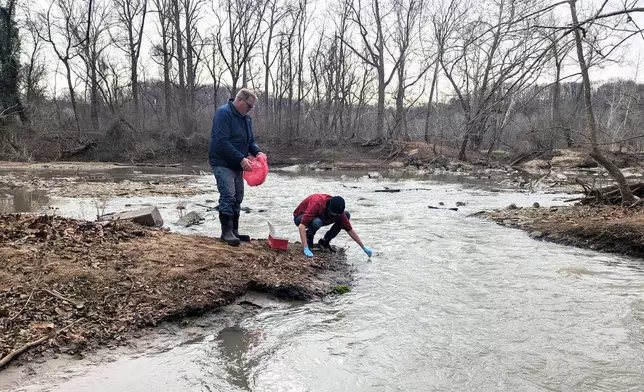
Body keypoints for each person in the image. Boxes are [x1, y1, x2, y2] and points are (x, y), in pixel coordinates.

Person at [209, 89, 265, 246]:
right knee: (228, 195)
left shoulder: (246, 119)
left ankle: (235, 231)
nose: (250, 110)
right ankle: (225, 233)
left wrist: (258, 152)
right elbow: (221, 141)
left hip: (237, 164)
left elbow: (250, 141)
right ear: (240, 101)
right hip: (222, 162)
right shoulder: (223, 114)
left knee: (238, 197)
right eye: (249, 106)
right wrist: (241, 158)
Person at [293, 194, 372, 258]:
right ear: (329, 207)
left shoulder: (339, 213)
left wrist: (363, 247)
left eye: (337, 214)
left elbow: (350, 230)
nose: (336, 215)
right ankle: (309, 237)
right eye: (334, 214)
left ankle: (325, 241)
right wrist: (305, 247)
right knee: (317, 222)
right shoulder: (317, 203)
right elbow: (301, 226)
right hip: (299, 217)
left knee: (346, 215)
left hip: (321, 216)